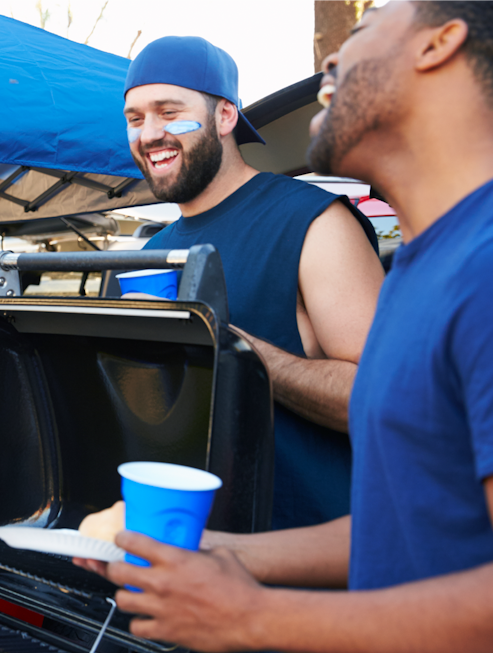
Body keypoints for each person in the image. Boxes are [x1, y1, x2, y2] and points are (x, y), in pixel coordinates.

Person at [77, 2, 493, 651]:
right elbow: (403, 520)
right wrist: (218, 552)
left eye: (359, 31)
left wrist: (233, 348)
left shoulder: (330, 225)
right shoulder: (421, 262)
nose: (329, 58)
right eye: (134, 117)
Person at [123, 35, 385, 530]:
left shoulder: (312, 220)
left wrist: (237, 350)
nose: (149, 133)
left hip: (309, 557)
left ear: (225, 117)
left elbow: (381, 399)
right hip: (194, 546)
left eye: (168, 112)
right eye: (135, 119)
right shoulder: (151, 252)